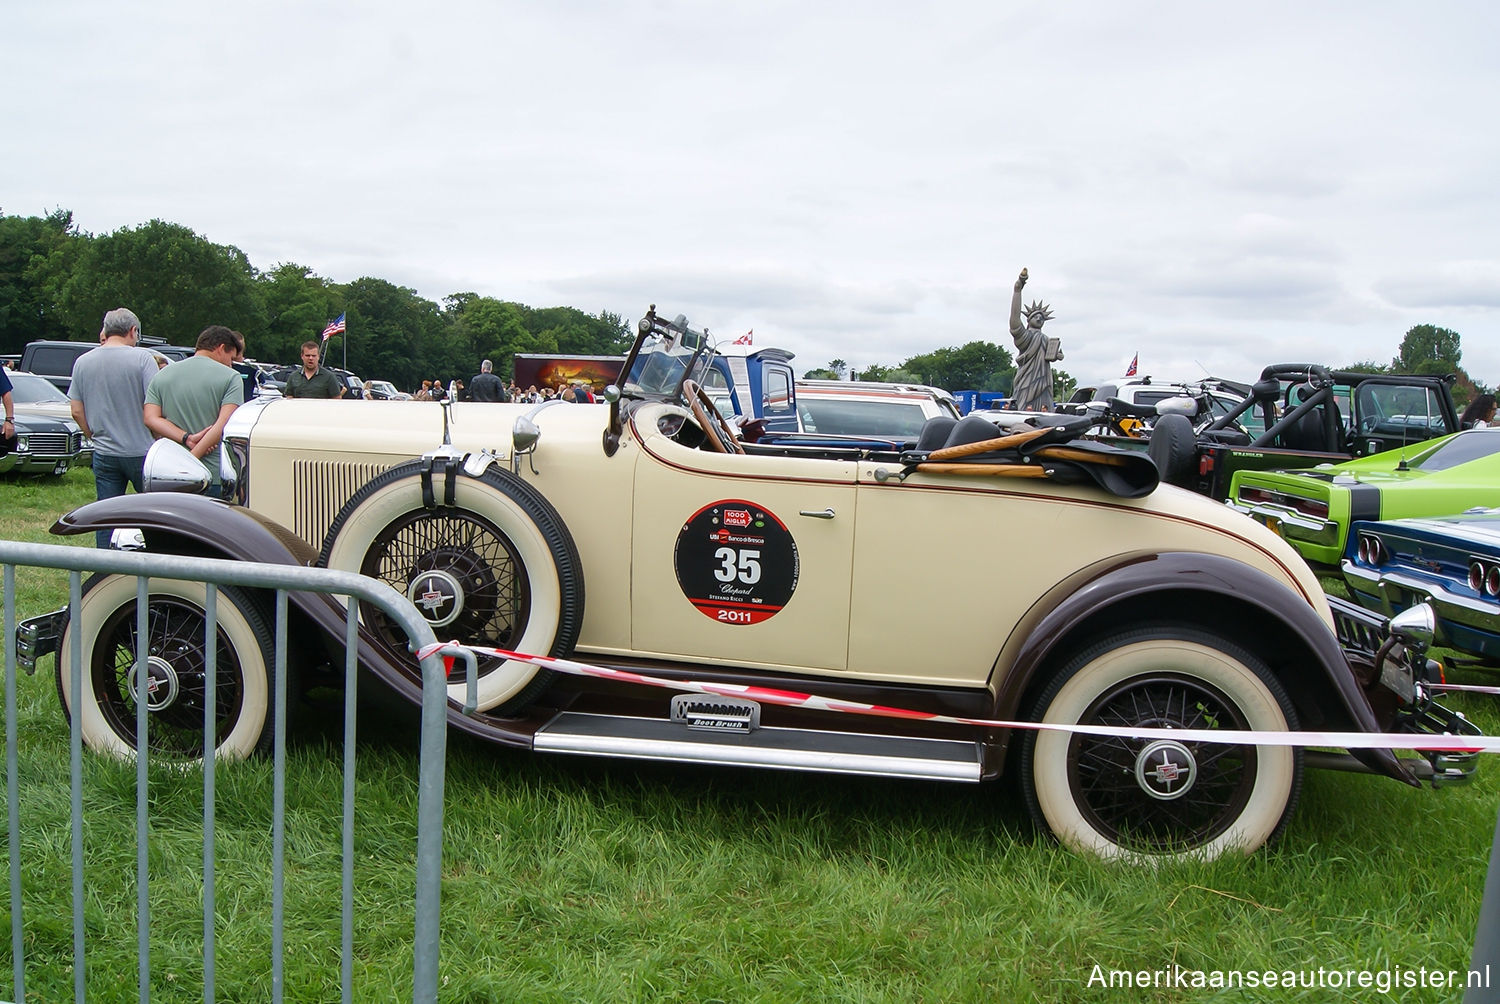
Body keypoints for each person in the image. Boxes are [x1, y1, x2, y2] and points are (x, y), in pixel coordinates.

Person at [68, 308, 161, 546]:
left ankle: (104, 570)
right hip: (142, 451)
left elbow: (76, 410)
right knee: (154, 516)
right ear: (133, 331)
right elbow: (155, 406)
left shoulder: (83, 361)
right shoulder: (142, 359)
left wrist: (93, 434)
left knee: (105, 517)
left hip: (105, 452)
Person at [143, 326, 246, 496]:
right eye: (231, 358)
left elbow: (150, 418)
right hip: (212, 473)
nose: (230, 364)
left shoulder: (162, 375)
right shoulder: (231, 377)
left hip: (170, 473)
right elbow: (223, 425)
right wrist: (193, 458)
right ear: (220, 348)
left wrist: (186, 438)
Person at [1008, 268, 1058, 412]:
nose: (1039, 319)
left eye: (1041, 318)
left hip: (1044, 380)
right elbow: (1015, 322)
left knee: (1045, 408)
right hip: (1027, 380)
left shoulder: (1046, 339)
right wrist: (1017, 292)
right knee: (1024, 406)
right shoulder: (1026, 336)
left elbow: (1051, 356)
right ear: (1029, 320)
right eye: (1036, 316)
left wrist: (1057, 355)